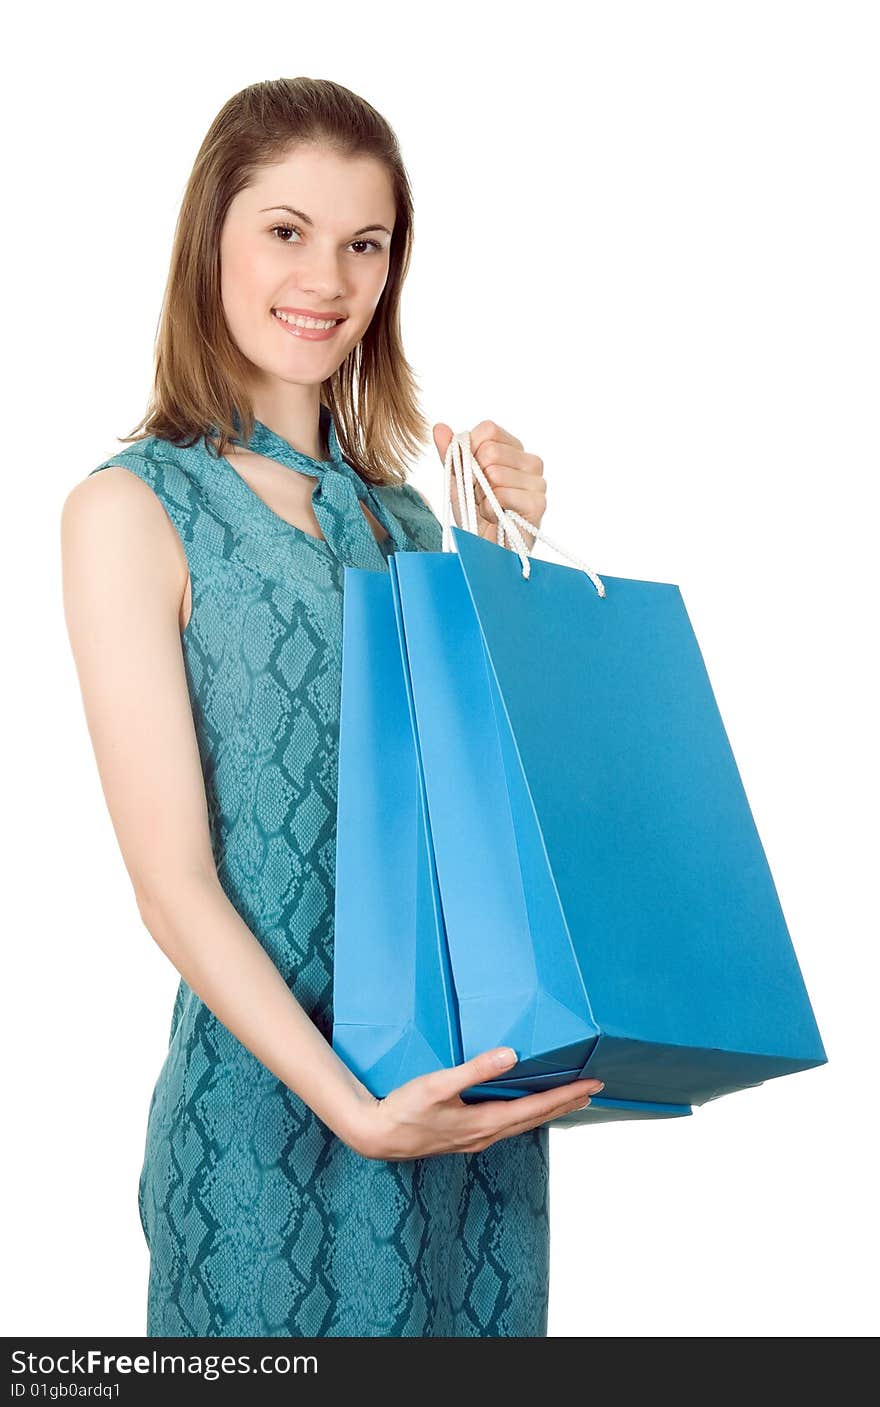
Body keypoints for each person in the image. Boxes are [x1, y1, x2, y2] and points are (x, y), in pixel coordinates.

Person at [60, 76, 603, 1339]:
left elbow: (507, 827)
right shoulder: (130, 510)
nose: (329, 277)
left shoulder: (407, 520)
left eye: (366, 243)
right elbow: (172, 884)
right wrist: (351, 1109)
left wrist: (498, 560)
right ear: (214, 240)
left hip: (466, 1120)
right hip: (272, 1121)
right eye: (287, 230)